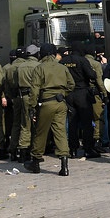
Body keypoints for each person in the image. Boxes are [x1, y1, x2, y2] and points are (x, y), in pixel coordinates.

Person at [24, 43, 75, 175]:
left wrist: (32, 106)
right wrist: (63, 94)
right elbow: (71, 84)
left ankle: (35, 162)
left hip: (46, 103)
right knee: (60, 132)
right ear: (54, 54)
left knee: (41, 132)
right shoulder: (62, 67)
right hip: (60, 102)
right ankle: (64, 165)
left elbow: (34, 89)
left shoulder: (39, 68)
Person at [61, 45, 100, 158]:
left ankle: (72, 149)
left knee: (72, 122)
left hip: (69, 94)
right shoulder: (83, 60)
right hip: (82, 93)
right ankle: (88, 148)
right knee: (86, 123)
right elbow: (91, 75)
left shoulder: (63, 61)